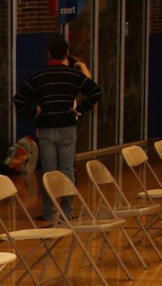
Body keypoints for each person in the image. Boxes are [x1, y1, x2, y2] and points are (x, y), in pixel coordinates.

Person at [13, 35, 102, 222]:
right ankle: (67, 212)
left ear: (49, 54)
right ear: (66, 53)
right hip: (67, 126)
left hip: (46, 128)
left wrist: (34, 113)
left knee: (49, 172)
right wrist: (80, 110)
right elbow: (96, 91)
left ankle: (48, 212)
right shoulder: (73, 75)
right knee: (67, 170)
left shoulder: (39, 76)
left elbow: (19, 99)